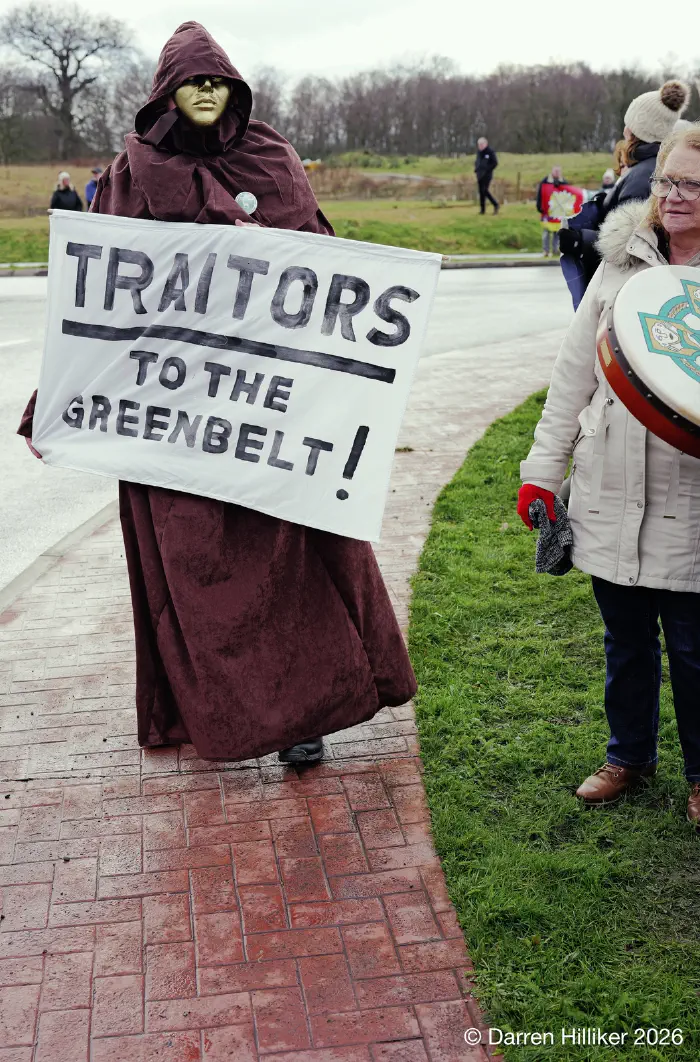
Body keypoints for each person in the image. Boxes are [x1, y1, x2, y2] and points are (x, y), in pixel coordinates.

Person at [19, 21, 416, 766]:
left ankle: (306, 718)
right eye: (190, 81)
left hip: (268, 410)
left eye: (217, 80)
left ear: (235, 89)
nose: (205, 91)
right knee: (202, 579)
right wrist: (61, 396)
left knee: (294, 569)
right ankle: (222, 714)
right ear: (166, 93)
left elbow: (322, 265)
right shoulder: (131, 174)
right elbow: (99, 305)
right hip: (177, 422)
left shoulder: (273, 160)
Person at [517, 124, 700, 827]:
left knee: (693, 649)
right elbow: (571, 376)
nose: (672, 196)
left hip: (690, 496)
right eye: (666, 182)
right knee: (624, 642)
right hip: (610, 484)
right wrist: (542, 470)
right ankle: (628, 757)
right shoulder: (620, 261)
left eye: (691, 185)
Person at [560, 80, 690, 308]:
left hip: (627, 297)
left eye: (628, 125)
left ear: (638, 131)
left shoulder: (643, 176)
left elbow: (636, 246)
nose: (624, 130)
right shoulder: (649, 168)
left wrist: (580, 241)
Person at [536, 165, 565, 257]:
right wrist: (539, 206)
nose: (556, 173)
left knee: (557, 232)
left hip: (558, 212)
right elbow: (540, 194)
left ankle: (555, 250)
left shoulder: (563, 182)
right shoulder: (545, 181)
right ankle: (546, 250)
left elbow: (567, 195)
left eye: (558, 171)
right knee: (546, 232)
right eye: (555, 171)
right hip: (547, 211)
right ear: (552, 171)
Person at [474, 136, 499, 214]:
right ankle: (482, 210)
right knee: (481, 192)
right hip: (479, 175)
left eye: (482, 144)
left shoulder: (490, 152)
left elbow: (495, 163)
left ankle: (495, 204)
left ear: (486, 144)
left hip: (487, 175)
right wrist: (476, 169)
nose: (480, 146)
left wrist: (487, 169)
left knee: (485, 191)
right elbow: (477, 162)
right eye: (479, 145)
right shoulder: (479, 152)